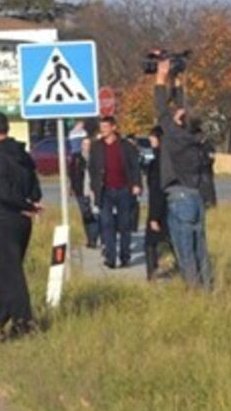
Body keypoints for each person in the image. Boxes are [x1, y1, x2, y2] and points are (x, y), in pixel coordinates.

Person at [0, 110, 41, 341]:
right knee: (5, 274)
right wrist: (30, 204)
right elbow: (35, 187)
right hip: (22, 220)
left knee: (10, 275)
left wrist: (22, 204)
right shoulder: (21, 153)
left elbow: (1, 191)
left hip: (3, 218)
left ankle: (25, 323)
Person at [153, 58, 214, 289]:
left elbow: (161, 109)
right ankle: (207, 288)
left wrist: (161, 77)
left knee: (184, 249)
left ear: (180, 122)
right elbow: (178, 112)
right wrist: (177, 79)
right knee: (200, 247)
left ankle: (193, 289)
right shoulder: (197, 139)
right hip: (196, 197)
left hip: (180, 199)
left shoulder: (177, 138)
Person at [86, 115, 143, 269]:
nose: (103, 130)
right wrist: (93, 186)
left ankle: (125, 256)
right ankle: (110, 258)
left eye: (106, 127)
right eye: (101, 127)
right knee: (107, 223)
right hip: (105, 190)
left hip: (124, 189)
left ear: (113, 128)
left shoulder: (126, 146)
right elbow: (92, 168)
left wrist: (137, 184)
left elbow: (135, 166)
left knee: (125, 224)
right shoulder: (97, 146)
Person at [143, 127, 169, 281]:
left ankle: (151, 273)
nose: (150, 141)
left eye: (152, 138)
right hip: (170, 204)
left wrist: (154, 216)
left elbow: (156, 190)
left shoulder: (158, 162)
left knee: (151, 242)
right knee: (170, 240)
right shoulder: (169, 158)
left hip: (160, 207)